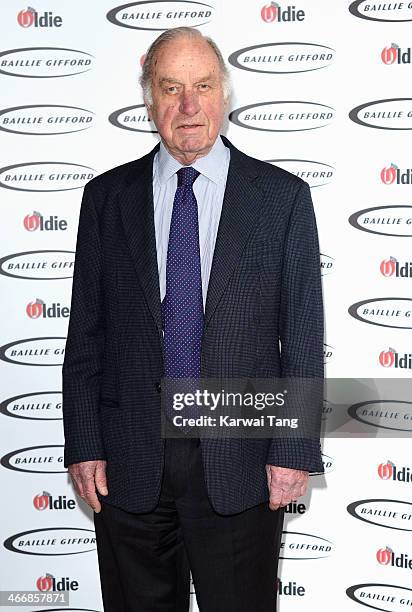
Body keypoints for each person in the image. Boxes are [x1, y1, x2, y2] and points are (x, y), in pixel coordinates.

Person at [62, 26, 324, 612]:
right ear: (148, 99)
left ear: (224, 96)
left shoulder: (282, 198)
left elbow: (304, 338)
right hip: (128, 462)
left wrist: (294, 450)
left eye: (203, 86)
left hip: (240, 461)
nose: (188, 105)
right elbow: (86, 338)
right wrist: (82, 443)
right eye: (171, 87)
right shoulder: (106, 198)